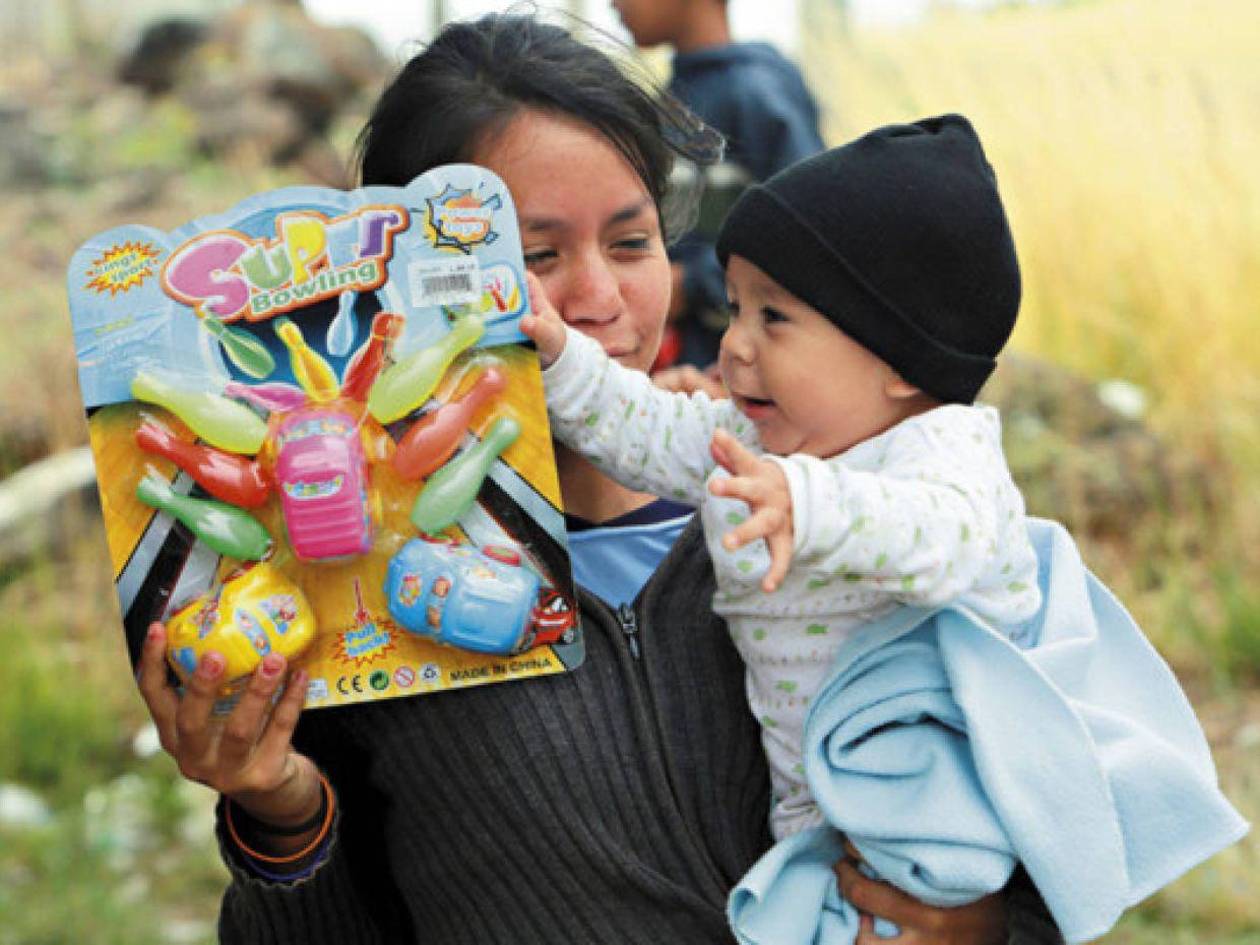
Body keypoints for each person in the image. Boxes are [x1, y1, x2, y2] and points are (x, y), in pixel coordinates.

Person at [135, 14, 1067, 945]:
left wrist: (986, 925)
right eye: (534, 258)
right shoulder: (379, 597)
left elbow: (1042, 795)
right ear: (412, 279)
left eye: (632, 242)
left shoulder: (819, 505)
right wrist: (282, 815)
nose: (600, 301)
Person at [521, 114, 1249, 944]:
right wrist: (559, 363)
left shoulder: (941, 452)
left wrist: (810, 502)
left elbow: (945, 540)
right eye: (734, 309)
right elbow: (642, 427)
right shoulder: (755, 441)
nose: (737, 348)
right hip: (810, 785)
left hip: (927, 769)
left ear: (900, 359)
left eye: (776, 318)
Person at [610, 0, 825, 376]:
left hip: (752, 381)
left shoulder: (758, 94)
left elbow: (810, 229)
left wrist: (693, 285)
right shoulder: (665, 104)